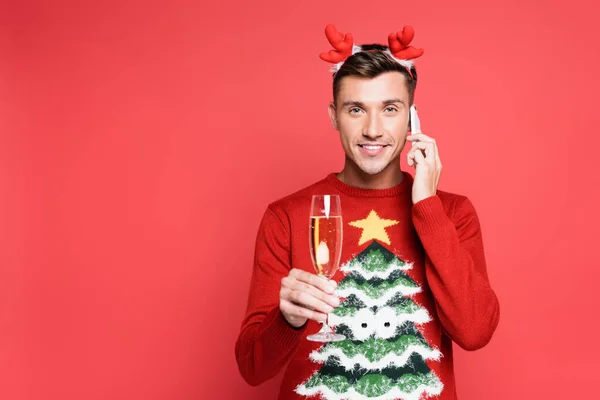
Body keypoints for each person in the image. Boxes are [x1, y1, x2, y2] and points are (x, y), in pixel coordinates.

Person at [235, 24, 500, 400]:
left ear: (411, 118)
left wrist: (426, 204)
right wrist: (288, 320)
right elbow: (251, 367)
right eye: (356, 109)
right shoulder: (287, 215)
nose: (373, 129)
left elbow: (474, 331)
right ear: (333, 116)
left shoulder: (452, 212)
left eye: (390, 109)